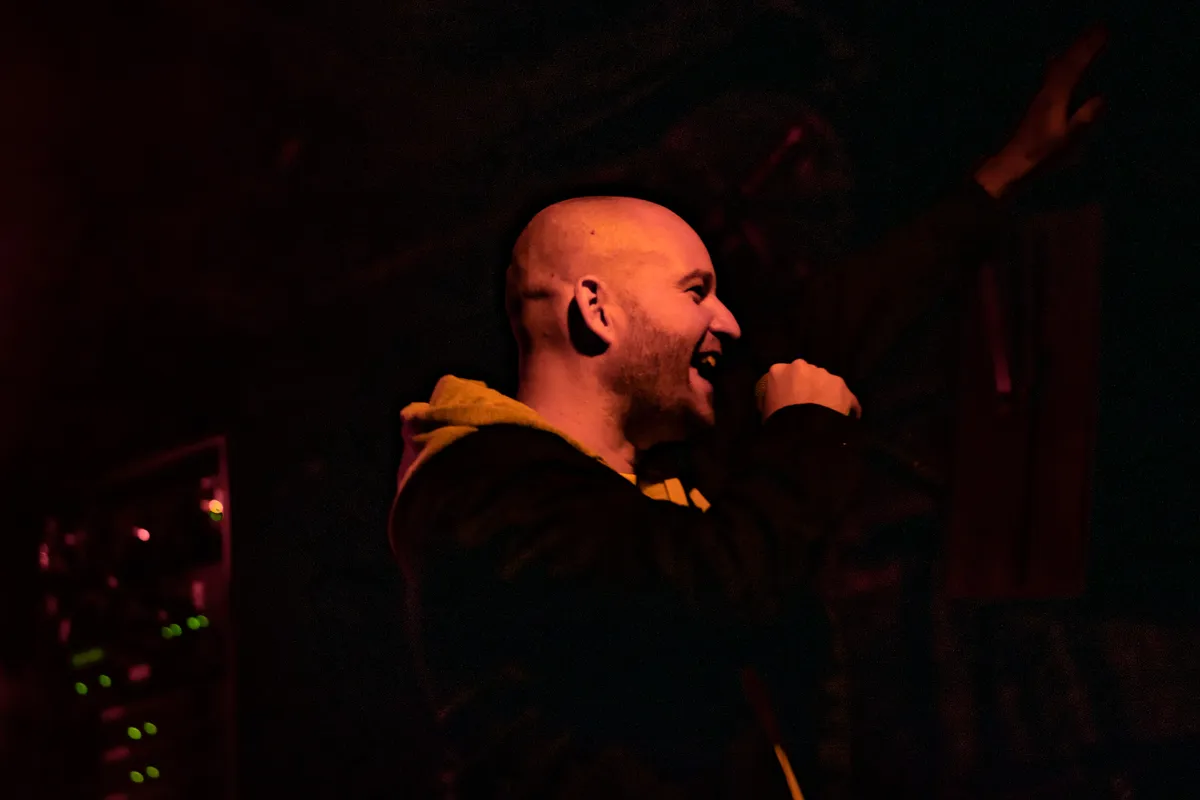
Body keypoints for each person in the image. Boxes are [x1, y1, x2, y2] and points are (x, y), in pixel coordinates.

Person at [388, 27, 1106, 800]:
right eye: (696, 292)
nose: (728, 321)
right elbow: (710, 589)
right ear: (596, 310)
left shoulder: (639, 487)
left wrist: (1008, 173)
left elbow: (839, 318)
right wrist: (802, 432)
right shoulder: (481, 490)